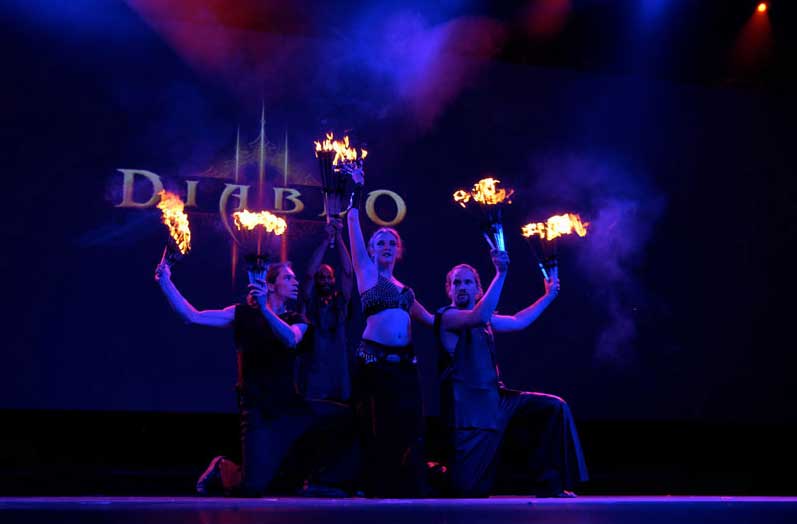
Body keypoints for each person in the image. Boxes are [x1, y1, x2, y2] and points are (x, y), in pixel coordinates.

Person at [155, 259, 354, 497]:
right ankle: (222, 466)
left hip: (289, 406)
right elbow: (192, 316)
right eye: (288, 278)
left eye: (294, 278)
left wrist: (264, 309)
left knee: (344, 416)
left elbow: (290, 339)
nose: (296, 282)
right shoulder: (242, 314)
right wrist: (165, 282)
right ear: (270, 285)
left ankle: (316, 479)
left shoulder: (297, 319)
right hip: (257, 408)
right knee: (251, 487)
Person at [435, 251, 588, 498]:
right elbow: (478, 316)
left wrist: (548, 296)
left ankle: (550, 484)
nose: (462, 287)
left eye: (468, 282)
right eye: (457, 282)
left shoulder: (486, 320)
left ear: (478, 289)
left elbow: (518, 320)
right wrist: (501, 273)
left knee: (553, 407)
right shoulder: (447, 317)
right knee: (467, 491)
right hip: (471, 413)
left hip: (499, 400)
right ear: (449, 289)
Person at [343, 164, 434, 497]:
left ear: (398, 250)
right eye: (380, 242)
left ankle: (405, 484)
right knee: (375, 423)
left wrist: (475, 314)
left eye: (391, 242)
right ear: (370, 250)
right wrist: (355, 188)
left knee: (408, 424)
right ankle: (374, 485)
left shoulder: (405, 289)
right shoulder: (367, 273)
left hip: (405, 365)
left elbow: (432, 320)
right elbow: (353, 221)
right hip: (374, 362)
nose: (386, 245)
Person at [297, 218, 355, 403]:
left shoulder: (341, 302)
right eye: (321, 277)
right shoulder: (309, 302)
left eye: (329, 277)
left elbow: (348, 272)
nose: (325, 280)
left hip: (338, 372)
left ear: (334, 279)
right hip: (313, 374)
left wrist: (339, 237)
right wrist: (326, 240)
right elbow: (309, 274)